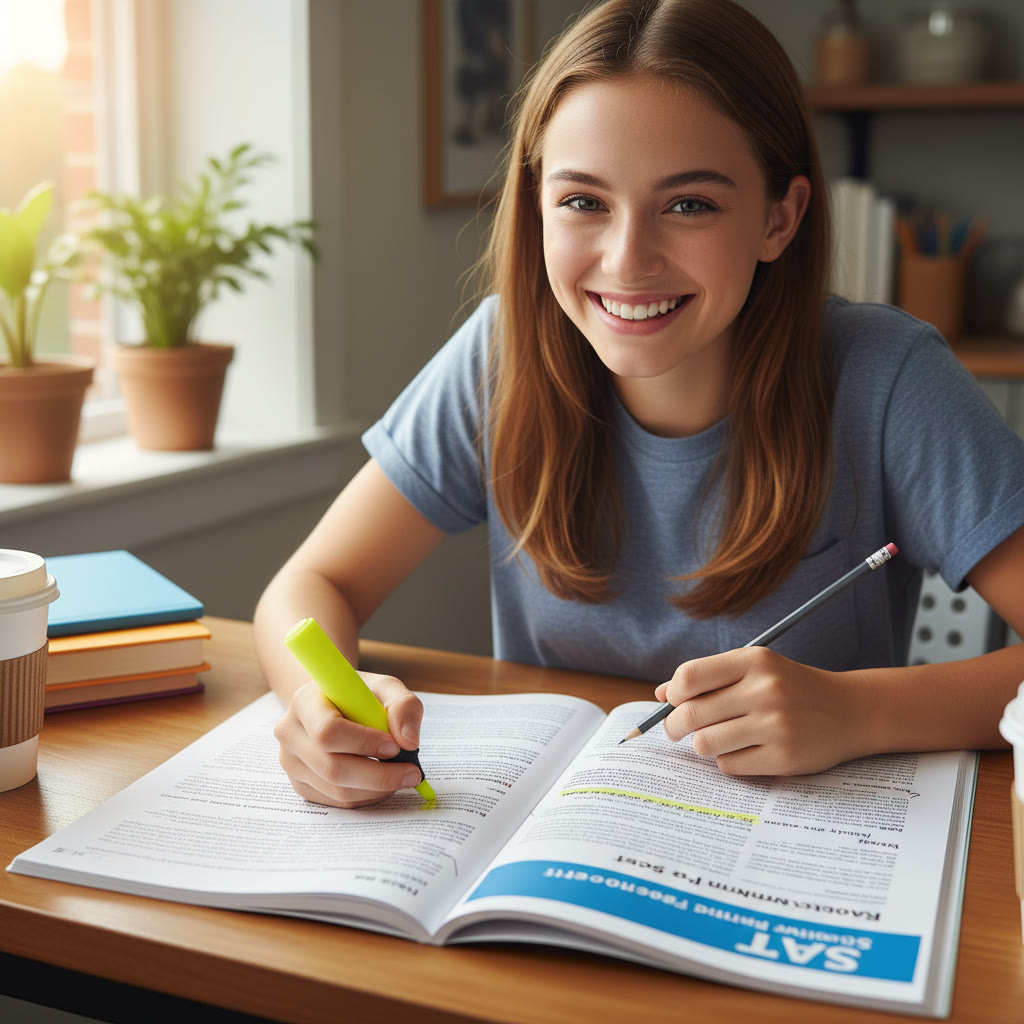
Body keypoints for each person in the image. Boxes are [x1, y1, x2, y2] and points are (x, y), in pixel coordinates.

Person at [254, 0, 1024, 809]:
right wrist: (320, 703)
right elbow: (312, 584)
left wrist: (858, 710)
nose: (628, 261)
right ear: (537, 203)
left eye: (689, 204)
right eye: (584, 201)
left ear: (779, 217)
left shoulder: (888, 379)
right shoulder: (500, 357)